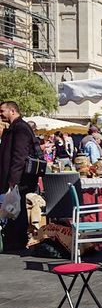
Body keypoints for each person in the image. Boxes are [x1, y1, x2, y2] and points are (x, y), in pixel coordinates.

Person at [0, 100, 38, 250]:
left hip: (20, 178)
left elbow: (19, 156)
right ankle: (15, 239)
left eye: (2, 111)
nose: (0, 114)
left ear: (12, 111)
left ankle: (17, 241)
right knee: (16, 208)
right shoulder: (15, 127)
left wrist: (13, 180)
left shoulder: (20, 128)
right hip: (15, 177)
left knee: (18, 209)